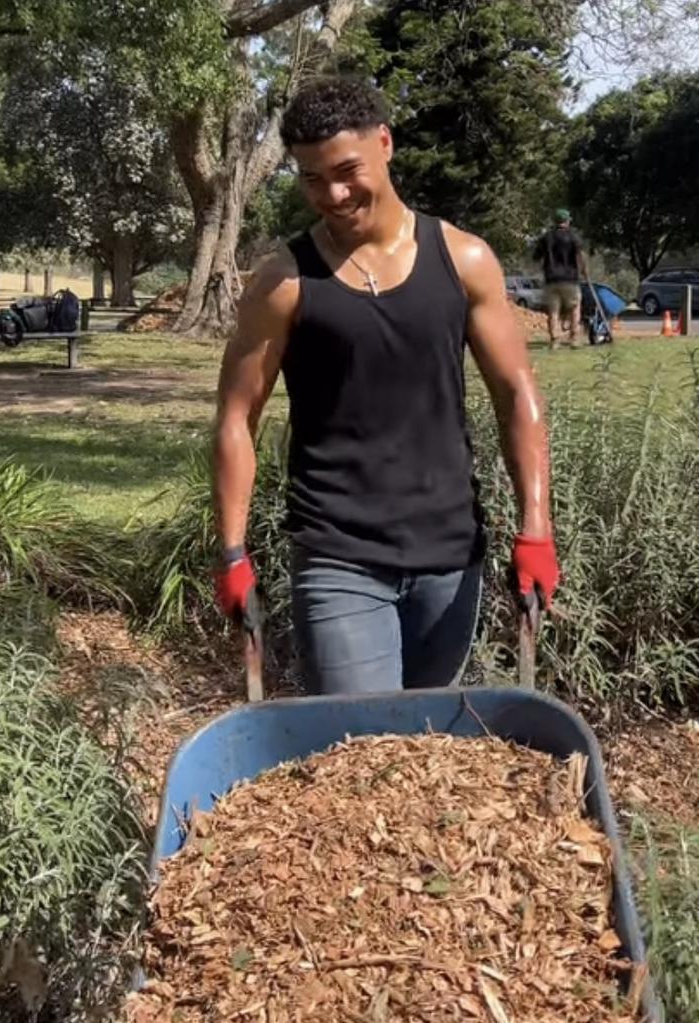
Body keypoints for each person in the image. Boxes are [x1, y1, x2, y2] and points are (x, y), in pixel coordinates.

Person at [212, 76, 559, 696]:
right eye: (312, 178)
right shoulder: (284, 281)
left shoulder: (464, 260)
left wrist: (536, 528)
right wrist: (233, 552)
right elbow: (238, 414)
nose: (333, 194)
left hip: (451, 554)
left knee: (420, 751)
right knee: (361, 741)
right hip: (338, 550)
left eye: (347, 171)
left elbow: (517, 394)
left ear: (385, 143)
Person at [533, 209, 586, 349]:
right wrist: (584, 271)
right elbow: (580, 255)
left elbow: (536, 257)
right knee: (575, 307)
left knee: (553, 311)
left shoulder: (546, 237)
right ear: (568, 221)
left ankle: (555, 341)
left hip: (551, 279)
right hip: (570, 279)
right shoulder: (573, 237)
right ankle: (574, 339)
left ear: (555, 221)